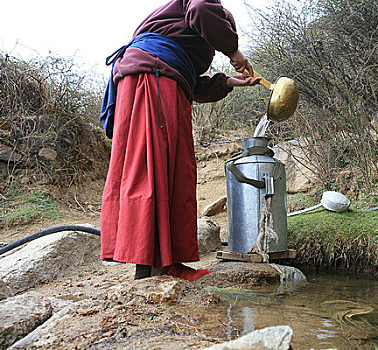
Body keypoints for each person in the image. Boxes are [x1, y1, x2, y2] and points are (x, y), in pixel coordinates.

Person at [99, 0, 261, 281]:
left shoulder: (177, 36)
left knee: (161, 168)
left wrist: (228, 82)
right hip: (153, 80)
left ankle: (160, 264)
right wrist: (233, 50)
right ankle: (153, 270)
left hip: (152, 78)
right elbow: (202, 9)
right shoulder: (200, 10)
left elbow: (191, 83)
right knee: (154, 168)